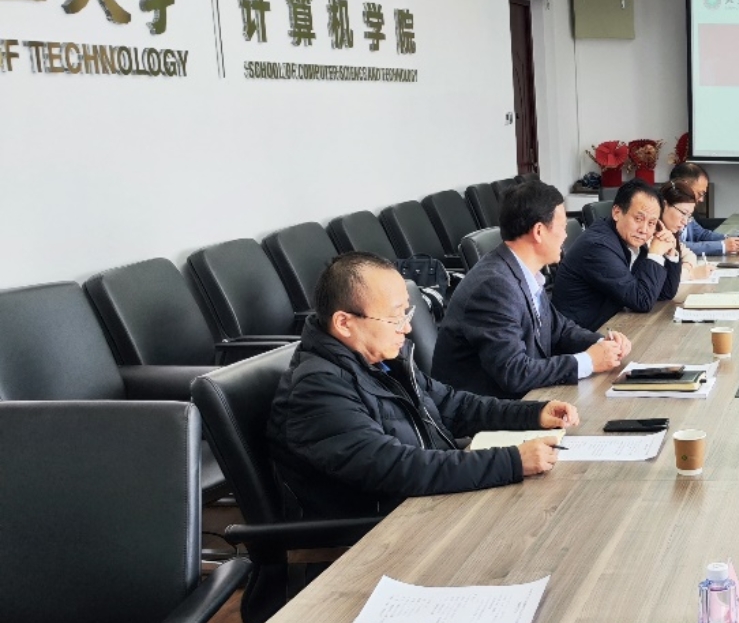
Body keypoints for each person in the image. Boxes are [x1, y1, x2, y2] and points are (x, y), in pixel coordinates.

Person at [267, 251, 578, 520]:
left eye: (407, 313)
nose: (407, 328)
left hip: (428, 501)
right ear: (344, 323)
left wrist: (532, 414)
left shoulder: (384, 358)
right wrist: (512, 461)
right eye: (394, 318)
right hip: (383, 530)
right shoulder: (317, 389)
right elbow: (397, 468)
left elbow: (452, 406)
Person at [432, 180, 628, 399]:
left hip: (525, 398)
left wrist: (601, 344)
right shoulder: (494, 286)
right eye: (562, 227)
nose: (565, 236)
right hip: (488, 410)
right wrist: (588, 361)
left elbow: (558, 329)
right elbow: (514, 372)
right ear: (539, 231)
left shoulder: (522, 271)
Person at [552, 178, 683, 330]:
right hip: (581, 336)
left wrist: (670, 253)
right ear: (617, 212)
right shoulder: (597, 246)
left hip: (610, 327)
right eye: (638, 219)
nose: (644, 229)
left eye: (652, 223)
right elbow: (642, 300)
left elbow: (664, 293)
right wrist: (655, 254)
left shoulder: (627, 239)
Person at [668, 161, 739, 256]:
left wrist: (735, 240)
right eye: (700, 194)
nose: (701, 199)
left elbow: (702, 234)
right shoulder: (664, 210)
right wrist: (722, 246)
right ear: (684, 185)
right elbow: (676, 246)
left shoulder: (687, 210)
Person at [656, 179, 715, 281]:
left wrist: (685, 269)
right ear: (664, 205)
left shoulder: (669, 233)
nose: (685, 222)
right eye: (683, 213)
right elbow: (660, 278)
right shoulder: (649, 234)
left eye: (688, 216)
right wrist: (691, 274)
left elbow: (689, 255)